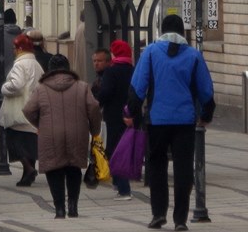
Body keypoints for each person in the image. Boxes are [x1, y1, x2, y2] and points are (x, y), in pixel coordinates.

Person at [127, 15, 215, 231]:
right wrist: (206, 115)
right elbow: (206, 91)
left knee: (156, 167)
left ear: (162, 30)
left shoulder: (150, 53)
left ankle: (158, 214)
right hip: (185, 120)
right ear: (182, 31)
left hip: (157, 120)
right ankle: (180, 219)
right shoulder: (194, 55)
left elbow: (137, 88)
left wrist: (135, 114)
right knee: (184, 169)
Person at [23, 53, 102, 219]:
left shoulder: (41, 88)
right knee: (74, 168)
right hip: (77, 133)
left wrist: (40, 124)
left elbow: (28, 109)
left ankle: (59, 208)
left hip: (50, 135)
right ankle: (73, 206)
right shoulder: (82, 86)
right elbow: (94, 108)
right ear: (68, 69)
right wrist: (94, 130)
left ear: (49, 69)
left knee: (54, 169)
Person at [0, 33, 44, 186]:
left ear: (19, 49)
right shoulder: (35, 64)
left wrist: (4, 88)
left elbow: (16, 85)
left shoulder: (20, 64)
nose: (13, 51)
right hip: (32, 107)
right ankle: (27, 174)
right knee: (30, 142)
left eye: (14, 48)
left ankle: (28, 169)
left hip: (18, 108)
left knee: (14, 140)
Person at [98, 39, 135, 201]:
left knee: (114, 152)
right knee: (125, 151)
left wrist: (97, 103)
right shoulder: (133, 70)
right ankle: (118, 183)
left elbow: (105, 93)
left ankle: (124, 189)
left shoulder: (111, 72)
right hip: (131, 116)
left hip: (114, 116)